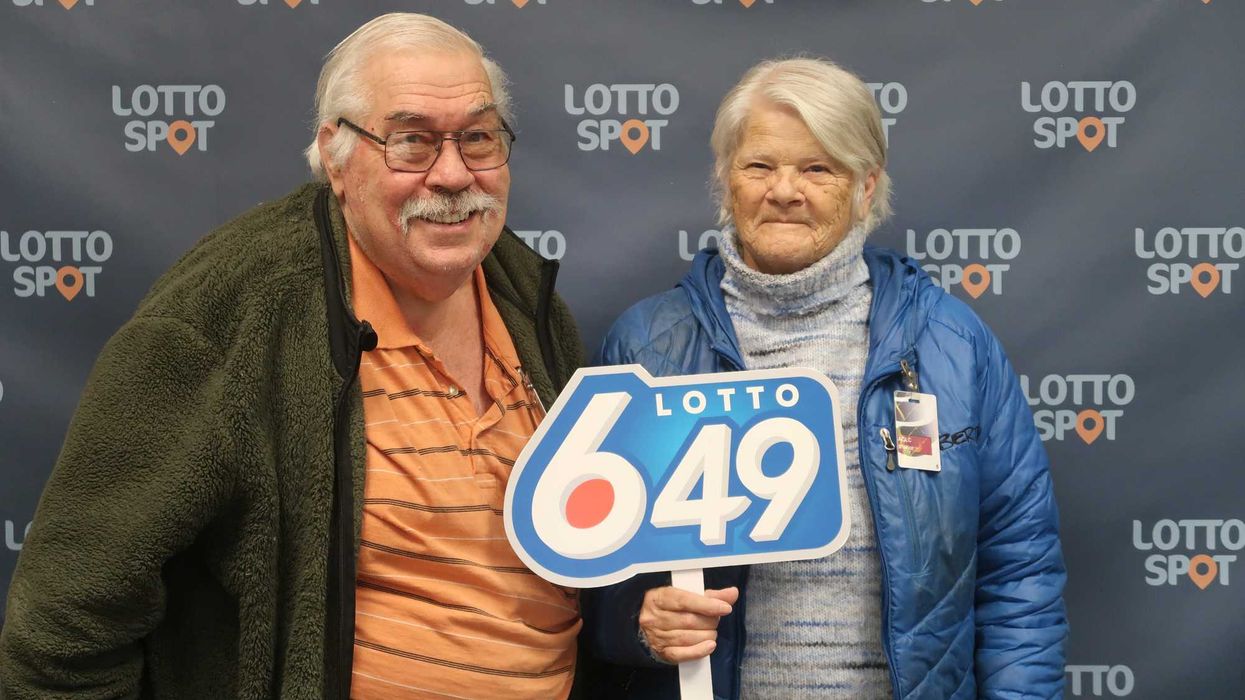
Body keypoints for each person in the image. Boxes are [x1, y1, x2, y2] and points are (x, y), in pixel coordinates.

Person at [0, 13, 584, 700]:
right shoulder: (233, 311)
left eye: (478, 137)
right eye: (410, 142)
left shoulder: (528, 299)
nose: (454, 174)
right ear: (336, 155)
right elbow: (63, 625)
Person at [582, 57, 1067, 699]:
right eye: (760, 166)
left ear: (867, 186)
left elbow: (1019, 568)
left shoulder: (952, 345)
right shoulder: (648, 346)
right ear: (727, 180)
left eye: (818, 168)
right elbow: (590, 578)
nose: (785, 191)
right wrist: (638, 624)